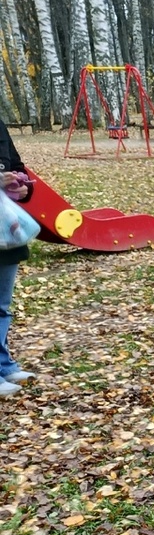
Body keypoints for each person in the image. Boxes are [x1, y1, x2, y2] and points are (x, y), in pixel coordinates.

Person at [0, 119, 35, 398]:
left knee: (2, 306)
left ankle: (4, 366)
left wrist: (24, 189)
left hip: (5, 231)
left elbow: (17, 166)